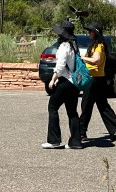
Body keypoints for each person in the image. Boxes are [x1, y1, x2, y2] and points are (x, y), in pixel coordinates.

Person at [80, 21, 116, 142]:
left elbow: (96, 60)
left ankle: (81, 133)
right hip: (96, 78)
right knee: (102, 105)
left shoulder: (99, 45)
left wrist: (82, 57)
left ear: (95, 33)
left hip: (94, 79)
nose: (89, 33)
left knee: (86, 105)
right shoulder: (94, 45)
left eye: (90, 31)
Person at [42, 20, 83, 149]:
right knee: (72, 112)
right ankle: (76, 141)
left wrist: (53, 79)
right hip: (74, 83)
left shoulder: (64, 47)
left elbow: (60, 67)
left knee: (52, 106)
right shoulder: (74, 46)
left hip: (65, 81)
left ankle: (54, 140)